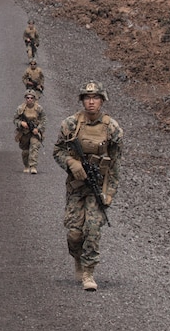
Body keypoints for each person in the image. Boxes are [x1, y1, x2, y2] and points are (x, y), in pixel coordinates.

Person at [52, 81, 124, 291]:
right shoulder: (71, 124)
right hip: (76, 187)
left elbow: (116, 165)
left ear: (102, 100)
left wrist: (109, 193)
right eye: (87, 98)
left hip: (98, 187)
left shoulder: (112, 128)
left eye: (95, 98)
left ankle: (88, 273)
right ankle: (77, 257)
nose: (91, 102)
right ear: (82, 100)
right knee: (74, 233)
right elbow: (58, 151)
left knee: (92, 229)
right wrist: (71, 163)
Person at [14, 89, 46, 174]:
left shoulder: (39, 109)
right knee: (25, 151)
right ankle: (26, 165)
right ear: (25, 98)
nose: (29, 99)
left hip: (34, 132)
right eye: (28, 98)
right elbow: (15, 120)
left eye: (31, 98)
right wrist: (21, 123)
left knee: (34, 147)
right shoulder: (21, 109)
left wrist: (38, 129)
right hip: (24, 133)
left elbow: (44, 120)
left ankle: (33, 166)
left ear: (34, 99)